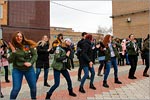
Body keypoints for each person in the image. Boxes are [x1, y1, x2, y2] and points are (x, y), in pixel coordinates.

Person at [8, 31, 37, 99]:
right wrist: (14, 52)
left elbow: (35, 55)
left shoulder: (27, 45)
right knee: (16, 89)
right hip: (17, 70)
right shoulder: (12, 47)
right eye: (17, 36)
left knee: (33, 87)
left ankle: (33, 98)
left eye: (21, 36)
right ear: (14, 37)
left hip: (29, 69)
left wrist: (31, 62)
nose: (19, 38)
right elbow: (10, 60)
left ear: (23, 37)